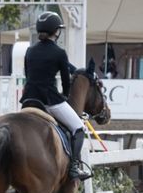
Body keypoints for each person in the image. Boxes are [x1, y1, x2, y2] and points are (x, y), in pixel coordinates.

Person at [21, 12, 91, 181]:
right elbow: (67, 84)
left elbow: (27, 74)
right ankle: (74, 166)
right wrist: (65, 97)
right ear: (56, 31)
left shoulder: (30, 51)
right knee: (78, 128)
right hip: (50, 101)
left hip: (29, 100)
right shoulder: (59, 53)